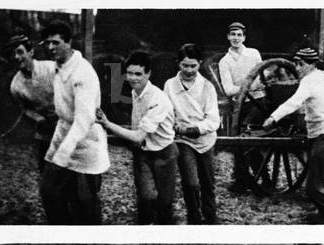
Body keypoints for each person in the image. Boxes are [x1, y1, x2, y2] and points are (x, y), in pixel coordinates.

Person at [263, 47, 324, 223]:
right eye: (296, 63)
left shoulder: (309, 81)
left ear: (312, 65)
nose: (297, 68)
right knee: (315, 183)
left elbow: (294, 102)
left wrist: (273, 117)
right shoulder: (321, 77)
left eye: (301, 64)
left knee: (314, 187)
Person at [40, 19, 109, 224]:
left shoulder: (82, 72)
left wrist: (63, 154)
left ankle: (90, 238)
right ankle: (63, 234)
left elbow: (84, 120)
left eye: (56, 42)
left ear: (69, 42)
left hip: (86, 141)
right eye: (47, 43)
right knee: (49, 191)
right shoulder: (58, 66)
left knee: (85, 203)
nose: (50, 47)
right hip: (63, 134)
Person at [96, 51, 178, 225]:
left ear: (148, 74)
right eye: (130, 73)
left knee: (164, 203)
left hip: (164, 152)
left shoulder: (158, 99)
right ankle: (142, 233)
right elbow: (138, 133)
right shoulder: (135, 92)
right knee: (145, 198)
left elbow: (137, 135)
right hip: (143, 152)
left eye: (138, 74)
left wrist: (107, 124)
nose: (133, 78)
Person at [165, 43, 222, 224]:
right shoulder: (170, 85)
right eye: (185, 65)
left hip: (205, 139)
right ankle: (194, 218)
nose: (189, 70)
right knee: (191, 183)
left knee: (207, 182)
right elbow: (167, 112)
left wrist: (194, 129)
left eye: (193, 66)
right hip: (182, 140)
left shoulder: (207, 87)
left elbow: (213, 120)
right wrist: (174, 125)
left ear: (200, 63)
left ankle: (210, 217)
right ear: (178, 64)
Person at [218, 21, 265, 193]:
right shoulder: (225, 61)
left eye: (239, 35)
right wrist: (249, 86)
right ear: (228, 37)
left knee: (248, 138)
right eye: (233, 34)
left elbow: (261, 78)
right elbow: (228, 90)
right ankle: (241, 181)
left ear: (244, 37)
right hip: (239, 105)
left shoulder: (253, 54)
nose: (236, 38)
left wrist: (247, 87)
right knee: (238, 141)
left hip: (258, 103)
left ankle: (261, 178)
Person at [6, 34, 57, 172]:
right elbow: (24, 109)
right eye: (12, 54)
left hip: (67, 122)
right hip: (45, 129)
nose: (16, 57)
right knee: (46, 171)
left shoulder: (51, 68)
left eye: (20, 52)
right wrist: (37, 118)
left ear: (31, 52)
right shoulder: (16, 85)